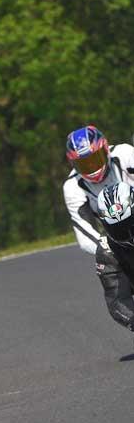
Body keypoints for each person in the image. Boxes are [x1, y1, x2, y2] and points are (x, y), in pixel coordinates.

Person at [63, 126, 134, 329]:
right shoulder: (72, 187)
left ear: (106, 149)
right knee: (106, 258)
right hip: (118, 239)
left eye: (95, 159)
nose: (92, 168)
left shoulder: (125, 154)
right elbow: (84, 233)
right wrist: (108, 248)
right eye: (84, 164)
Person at [97, 181, 134, 330]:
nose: (129, 234)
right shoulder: (107, 251)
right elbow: (118, 299)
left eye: (132, 224)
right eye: (119, 229)